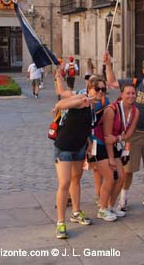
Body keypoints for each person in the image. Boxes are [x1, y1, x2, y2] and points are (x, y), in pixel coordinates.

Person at [103, 51, 144, 211]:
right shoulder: (135, 83)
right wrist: (108, 64)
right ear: (143, 70)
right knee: (128, 169)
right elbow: (112, 82)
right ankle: (123, 198)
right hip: (133, 133)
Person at [52, 87, 98, 239]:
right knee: (64, 183)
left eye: (103, 90)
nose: (100, 93)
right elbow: (60, 104)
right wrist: (82, 98)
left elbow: (85, 128)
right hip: (64, 147)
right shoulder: (80, 101)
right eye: (96, 89)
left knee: (76, 179)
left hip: (79, 147)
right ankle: (60, 223)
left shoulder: (93, 107)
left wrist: (89, 144)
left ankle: (76, 212)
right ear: (89, 89)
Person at [94, 84, 139, 221]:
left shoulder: (135, 111)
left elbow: (129, 133)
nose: (131, 96)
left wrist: (118, 138)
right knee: (109, 177)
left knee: (121, 177)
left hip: (115, 144)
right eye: (128, 93)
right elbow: (107, 137)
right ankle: (102, 209)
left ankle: (110, 206)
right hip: (100, 144)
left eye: (133, 93)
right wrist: (112, 159)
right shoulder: (111, 110)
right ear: (121, 94)